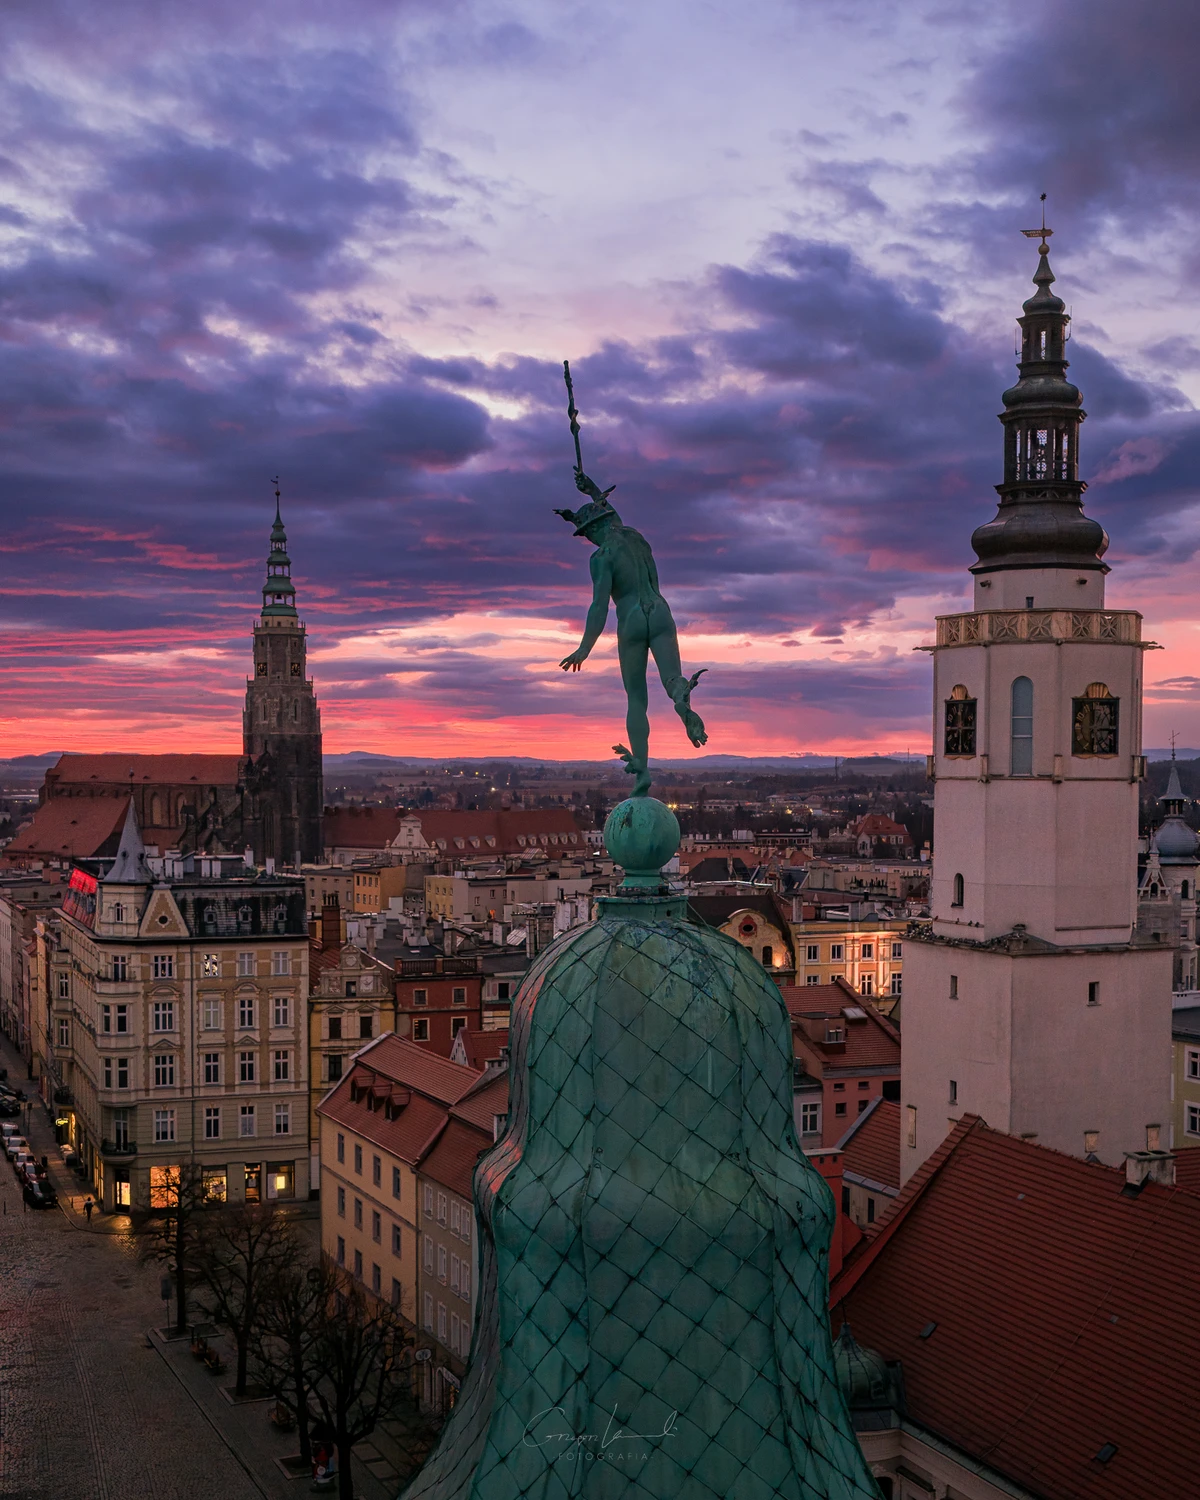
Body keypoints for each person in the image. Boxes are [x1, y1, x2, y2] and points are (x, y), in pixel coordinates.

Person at [556, 470, 706, 796]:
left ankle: (642, 769)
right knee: (671, 679)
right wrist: (592, 490)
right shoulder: (636, 537)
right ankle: (681, 698)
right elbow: (612, 518)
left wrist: (584, 648)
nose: (588, 539)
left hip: (633, 619)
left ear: (594, 529)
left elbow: (599, 607)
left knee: (636, 698)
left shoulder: (602, 557)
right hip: (661, 612)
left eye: (586, 534)